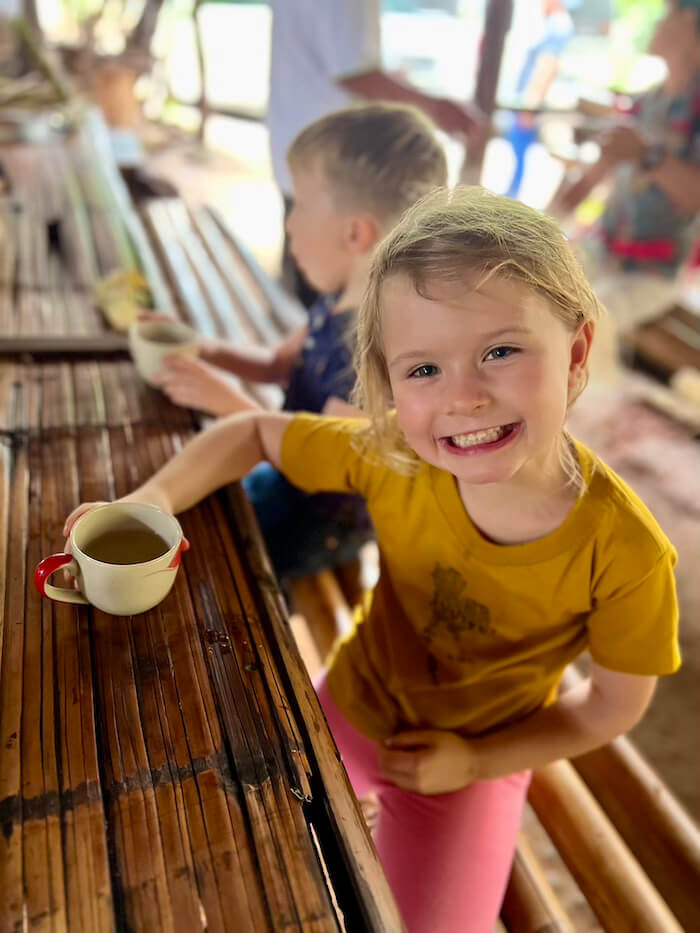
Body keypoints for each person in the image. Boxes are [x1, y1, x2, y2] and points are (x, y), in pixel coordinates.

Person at [63, 186, 680, 933]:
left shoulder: (629, 550)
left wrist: (475, 763)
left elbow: (613, 705)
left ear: (576, 352)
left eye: (501, 351)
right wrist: (154, 499)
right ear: (388, 385)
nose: (465, 397)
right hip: (351, 702)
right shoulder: (393, 454)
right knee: (229, 844)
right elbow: (256, 432)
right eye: (423, 370)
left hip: (473, 757)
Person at [153, 103, 448, 582]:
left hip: (316, 518)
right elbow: (276, 363)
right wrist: (204, 350)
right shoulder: (336, 298)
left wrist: (227, 403)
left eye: (301, 204)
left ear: (355, 233)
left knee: (203, 557)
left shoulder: (380, 351)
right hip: (281, 469)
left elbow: (323, 461)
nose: (289, 223)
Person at [268, 0, 485, 305]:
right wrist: (436, 107)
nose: (293, 226)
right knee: (321, 283)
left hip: (305, 147)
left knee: (317, 280)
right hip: (333, 161)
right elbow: (354, 72)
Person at [551, 0, 700, 345]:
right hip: (602, 251)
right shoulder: (648, 103)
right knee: (538, 295)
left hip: (651, 274)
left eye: (669, 15)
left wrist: (648, 156)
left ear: (691, 29)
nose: (659, 23)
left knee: (585, 330)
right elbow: (596, 174)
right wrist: (546, 218)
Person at [505, 0, 579, 200]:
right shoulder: (553, 23)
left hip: (531, 104)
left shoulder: (558, 25)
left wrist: (530, 105)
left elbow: (547, 65)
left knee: (520, 153)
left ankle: (512, 198)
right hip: (529, 102)